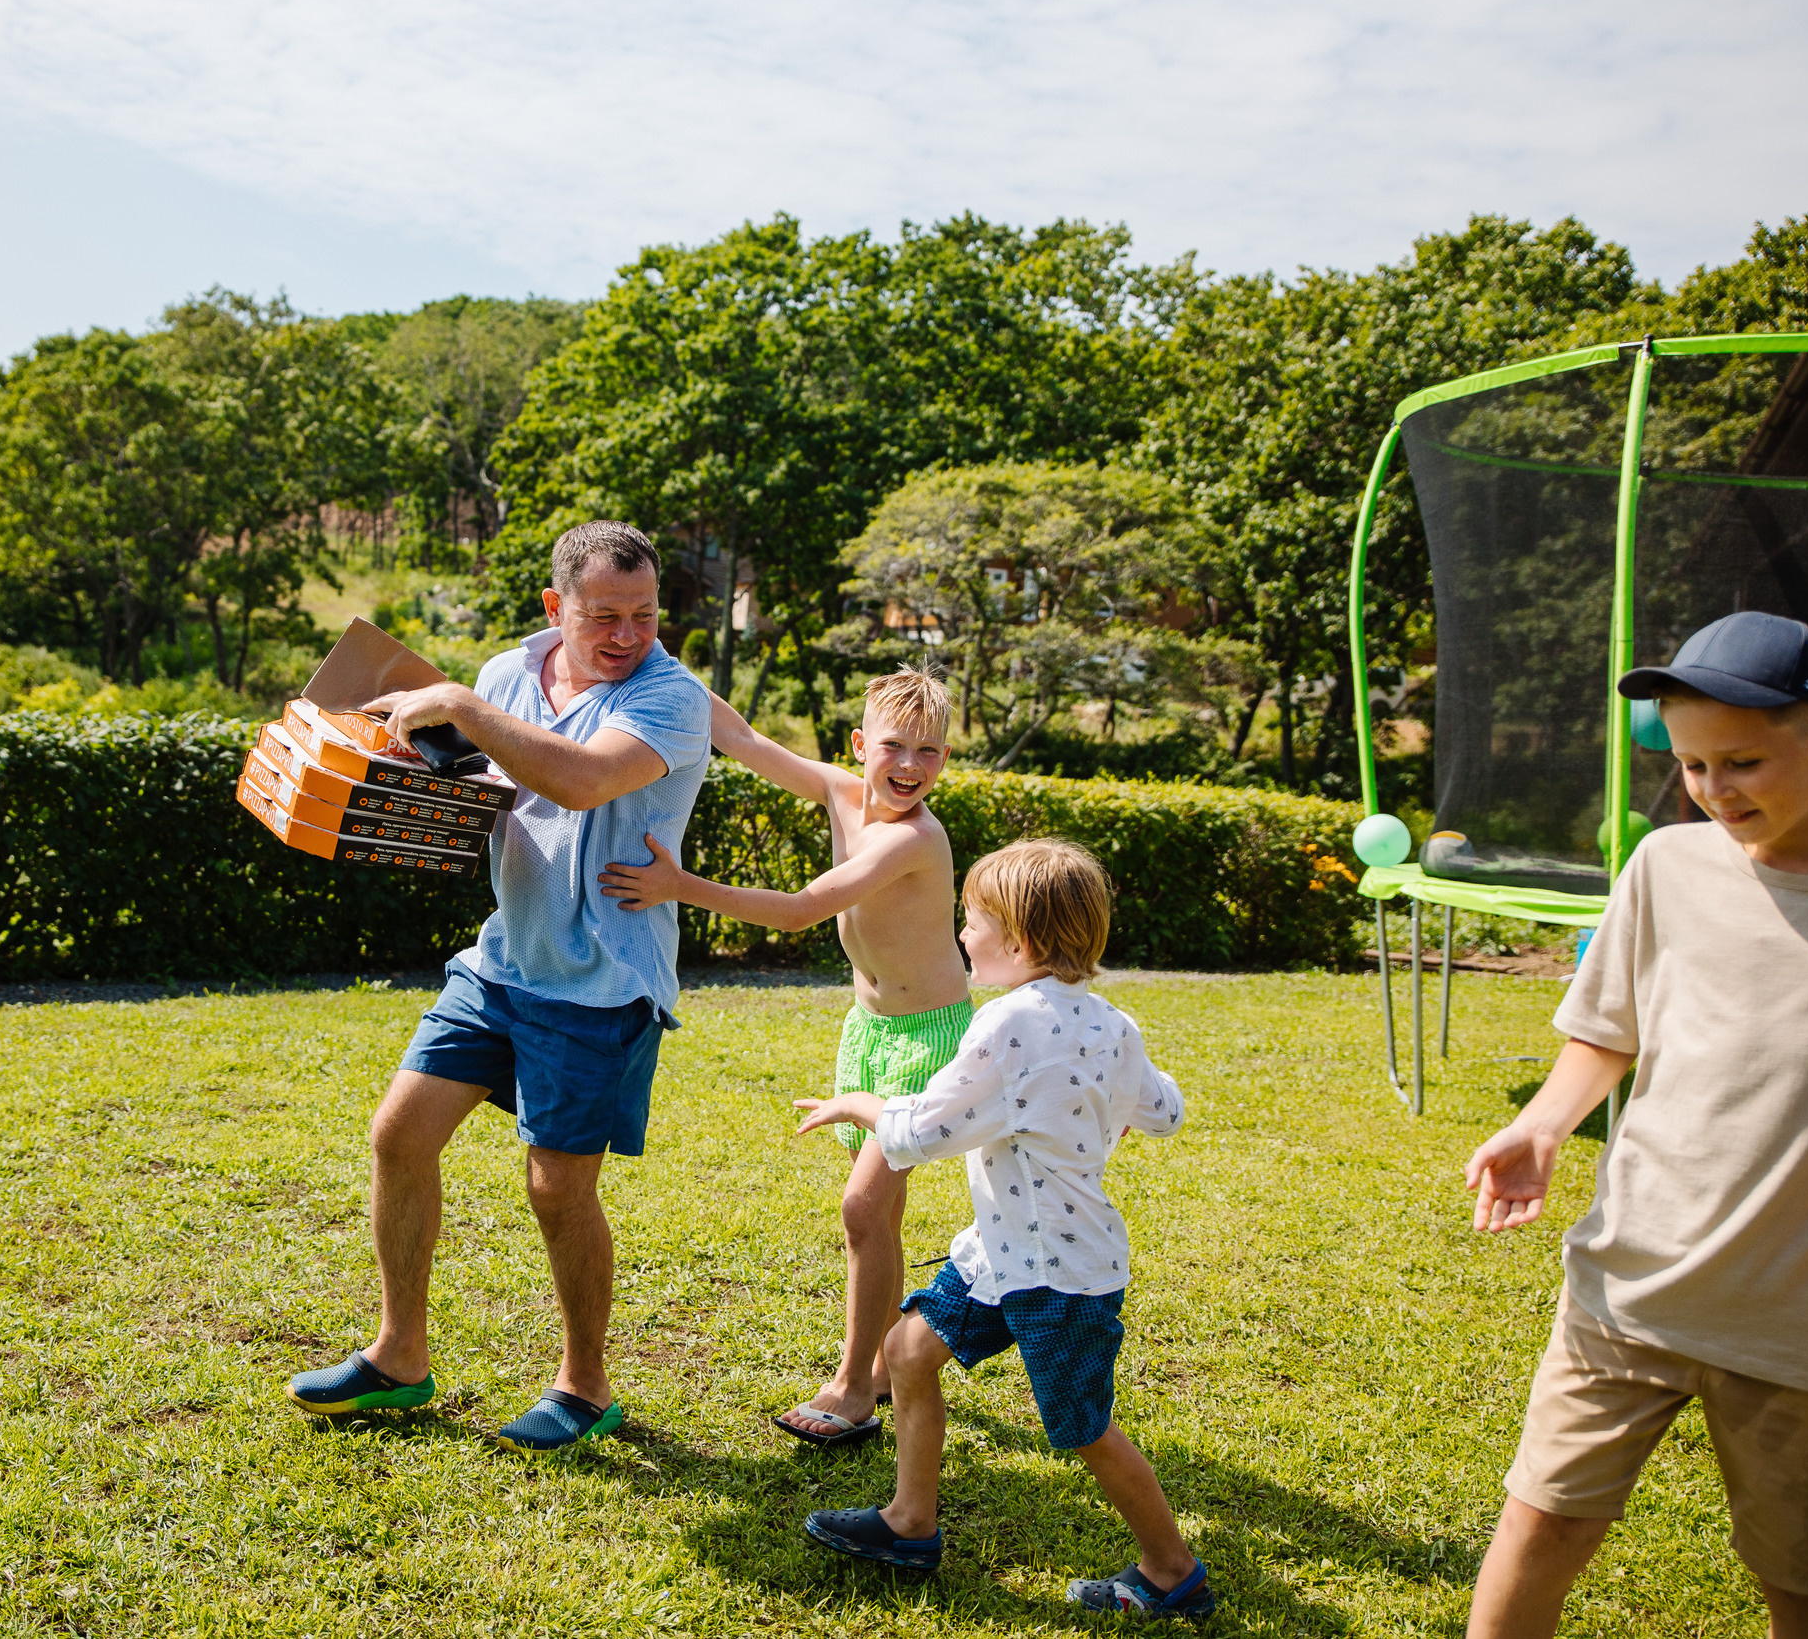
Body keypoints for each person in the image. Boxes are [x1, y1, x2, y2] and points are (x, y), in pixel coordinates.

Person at [1461, 611, 1808, 1639]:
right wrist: (1545, 1126)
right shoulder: (1665, 867)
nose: (1712, 789)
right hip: (1627, 1288)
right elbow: (1609, 1029)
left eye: (1741, 762)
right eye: (1692, 765)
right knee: (1540, 1527)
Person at [282, 520, 712, 1453]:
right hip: (502, 960)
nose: (628, 635)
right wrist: (394, 758)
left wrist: (465, 711)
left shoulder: (672, 697)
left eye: (644, 614)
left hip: (599, 982)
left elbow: (583, 779)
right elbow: (482, 786)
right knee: (399, 1133)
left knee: (557, 1190)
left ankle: (584, 1386)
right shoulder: (505, 675)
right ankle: (399, 1357)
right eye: (604, 615)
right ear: (556, 606)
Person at [789, 839, 1212, 1619]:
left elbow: (920, 1130)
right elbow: (1165, 1110)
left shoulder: (1004, 1023)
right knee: (908, 1350)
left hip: (1058, 1273)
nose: (961, 933)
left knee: (1085, 1430)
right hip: (1003, 1251)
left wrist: (855, 1103)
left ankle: (1171, 1569)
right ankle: (909, 1522)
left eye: (972, 920)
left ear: (1019, 941)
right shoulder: (1113, 1023)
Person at [598, 666, 969, 1448]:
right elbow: (741, 737)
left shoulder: (914, 837)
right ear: (860, 744)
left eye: (929, 751)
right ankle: (880, 1365)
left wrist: (678, 884)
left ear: (944, 759)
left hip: (928, 1039)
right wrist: (662, 667)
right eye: (894, 746)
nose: (910, 765)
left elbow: (801, 911)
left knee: (862, 1208)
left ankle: (854, 1388)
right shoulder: (838, 790)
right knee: (880, 1211)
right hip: (869, 1031)